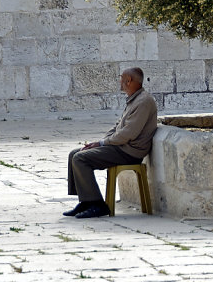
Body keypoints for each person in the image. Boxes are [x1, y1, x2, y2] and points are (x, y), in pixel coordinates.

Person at [64, 67, 158, 218]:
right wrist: (99, 142)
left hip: (129, 151)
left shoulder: (144, 101)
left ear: (129, 81)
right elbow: (117, 127)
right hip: (120, 147)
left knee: (80, 158)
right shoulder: (134, 99)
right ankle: (86, 201)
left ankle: (97, 205)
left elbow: (128, 134)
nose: (120, 82)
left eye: (122, 79)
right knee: (75, 153)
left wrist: (102, 144)